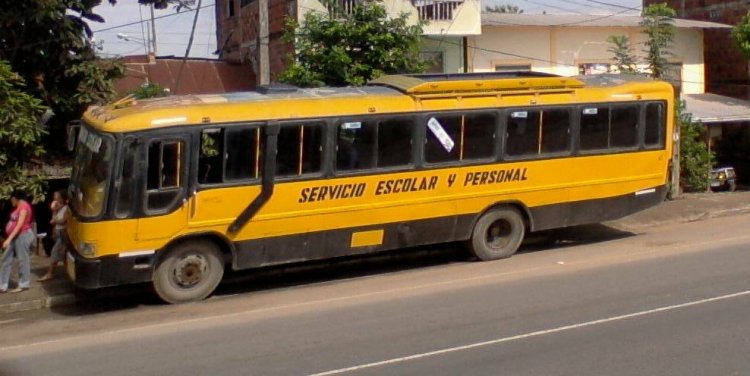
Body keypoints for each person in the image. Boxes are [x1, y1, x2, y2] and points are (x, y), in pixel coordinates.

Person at [0, 189, 35, 293]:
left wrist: (8, 239)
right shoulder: (18, 207)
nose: (11, 201)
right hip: (15, 236)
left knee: (22, 259)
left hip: (23, 235)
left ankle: (24, 284)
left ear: (14, 198)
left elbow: (20, 224)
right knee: (5, 258)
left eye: (11, 199)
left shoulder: (24, 206)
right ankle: (3, 284)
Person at [38, 190, 70, 282]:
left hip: (63, 233)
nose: (55, 198)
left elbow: (63, 220)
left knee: (55, 252)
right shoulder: (59, 208)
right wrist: (54, 211)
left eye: (57, 196)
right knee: (63, 254)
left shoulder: (67, 208)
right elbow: (52, 221)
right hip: (58, 233)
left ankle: (50, 273)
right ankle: (68, 271)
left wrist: (56, 220)